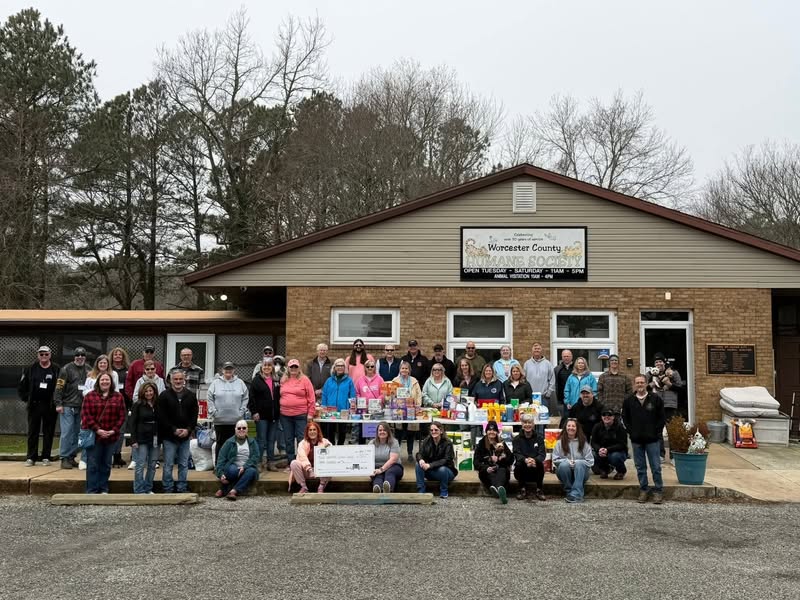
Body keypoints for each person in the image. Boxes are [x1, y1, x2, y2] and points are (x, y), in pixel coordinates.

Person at [623, 374, 665, 504]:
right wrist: (631, 432)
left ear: (646, 383)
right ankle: (644, 490)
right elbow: (625, 418)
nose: (640, 385)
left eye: (642, 382)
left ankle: (658, 491)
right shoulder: (629, 400)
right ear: (634, 384)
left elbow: (661, 418)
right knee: (640, 467)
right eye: (637, 382)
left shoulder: (655, 399)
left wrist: (656, 433)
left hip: (652, 440)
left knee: (656, 467)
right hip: (636, 440)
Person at [81, 373, 126, 494]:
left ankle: (103, 488)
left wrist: (113, 430)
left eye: (107, 380)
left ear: (111, 382)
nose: (105, 382)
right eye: (102, 380)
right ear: (98, 382)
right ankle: (92, 490)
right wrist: (98, 430)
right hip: (94, 436)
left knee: (106, 464)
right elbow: (86, 415)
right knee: (93, 464)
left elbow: (122, 416)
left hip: (111, 437)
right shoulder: (90, 396)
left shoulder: (118, 397)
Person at [18, 346, 60, 467]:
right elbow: (22, 386)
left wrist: (57, 401)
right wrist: (27, 399)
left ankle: (46, 457)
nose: (44, 356)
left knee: (49, 432)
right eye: (41, 354)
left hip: (50, 406)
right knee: (33, 432)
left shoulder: (56, 369)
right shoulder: (30, 368)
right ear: (38, 355)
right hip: (34, 405)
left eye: (46, 354)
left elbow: (61, 386)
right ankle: (31, 457)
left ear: (50, 355)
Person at [158, 370, 199, 493]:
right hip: (169, 437)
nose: (178, 381)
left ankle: (182, 488)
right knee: (168, 464)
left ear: (184, 380)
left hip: (185, 436)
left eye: (180, 379)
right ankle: (168, 488)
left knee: (183, 464)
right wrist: (173, 430)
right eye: (175, 379)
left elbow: (194, 415)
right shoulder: (164, 396)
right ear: (170, 380)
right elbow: (161, 416)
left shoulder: (191, 395)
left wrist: (188, 429)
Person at [54, 347, 90, 469]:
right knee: (67, 432)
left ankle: (71, 457)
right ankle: (64, 457)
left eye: (82, 355)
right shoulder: (66, 369)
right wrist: (58, 403)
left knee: (77, 433)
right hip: (67, 405)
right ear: (74, 356)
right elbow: (59, 386)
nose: (80, 357)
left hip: (82, 406)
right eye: (77, 355)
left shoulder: (89, 369)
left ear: (85, 356)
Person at [207, 361, 249, 461]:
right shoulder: (215, 383)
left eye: (230, 369)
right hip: (219, 420)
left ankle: (232, 464)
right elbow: (209, 397)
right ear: (222, 370)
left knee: (234, 443)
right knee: (220, 443)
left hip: (236, 420)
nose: (228, 371)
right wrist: (213, 412)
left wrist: (241, 412)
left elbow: (245, 398)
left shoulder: (240, 383)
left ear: (234, 370)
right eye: (226, 369)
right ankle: (219, 466)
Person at [279, 358, 316, 466]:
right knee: (288, 440)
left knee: (302, 440)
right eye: (291, 367)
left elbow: (311, 397)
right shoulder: (283, 379)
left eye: (295, 367)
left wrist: (310, 413)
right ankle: (291, 463)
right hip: (285, 415)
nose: (293, 369)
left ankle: (303, 463)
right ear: (288, 368)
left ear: (299, 368)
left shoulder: (305, 380)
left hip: (301, 414)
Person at [647, 352, 684, 459]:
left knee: (672, 430)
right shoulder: (650, 374)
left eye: (660, 361)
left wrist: (669, 384)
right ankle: (660, 455)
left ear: (664, 362)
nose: (658, 364)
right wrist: (651, 385)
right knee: (657, 431)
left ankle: (673, 456)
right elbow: (642, 387)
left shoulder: (674, 373)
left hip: (670, 405)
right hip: (656, 405)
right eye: (656, 362)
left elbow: (681, 389)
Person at [214, 419, 260, 500]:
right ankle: (228, 489)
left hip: (247, 467)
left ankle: (231, 490)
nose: (241, 430)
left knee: (252, 471)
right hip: (232, 467)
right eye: (239, 428)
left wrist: (244, 467)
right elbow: (221, 459)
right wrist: (220, 474)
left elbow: (256, 457)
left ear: (247, 429)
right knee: (233, 471)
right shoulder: (229, 442)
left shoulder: (252, 441)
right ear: (235, 430)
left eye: (244, 428)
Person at [249, 358, 281, 470]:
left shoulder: (277, 380)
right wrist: (254, 412)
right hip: (261, 415)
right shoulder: (256, 380)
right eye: (265, 365)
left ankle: (271, 462)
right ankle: (258, 462)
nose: (267, 367)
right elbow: (251, 398)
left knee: (271, 440)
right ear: (261, 367)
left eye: (269, 365)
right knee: (261, 440)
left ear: (272, 367)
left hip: (274, 415)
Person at [552, 418, 594, 503]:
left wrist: (578, 462)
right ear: (565, 427)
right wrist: (567, 461)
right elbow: (555, 459)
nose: (571, 428)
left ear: (577, 428)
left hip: (580, 473)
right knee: (564, 465)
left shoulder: (584, 443)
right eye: (569, 426)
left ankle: (576, 494)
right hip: (564, 472)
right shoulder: (559, 443)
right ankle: (570, 491)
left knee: (579, 464)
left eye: (573, 426)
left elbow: (590, 461)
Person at [129, 382, 160, 494]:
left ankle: (148, 488)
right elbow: (132, 422)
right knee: (140, 464)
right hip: (141, 437)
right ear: (142, 392)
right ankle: (138, 489)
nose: (148, 393)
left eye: (150, 391)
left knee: (152, 465)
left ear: (154, 391)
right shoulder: (138, 404)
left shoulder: (158, 404)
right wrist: (133, 440)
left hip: (155, 437)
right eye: (146, 391)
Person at [415, 421, 458, 499]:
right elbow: (419, 453)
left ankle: (444, 490)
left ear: (441, 431)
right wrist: (421, 459)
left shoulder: (448, 443)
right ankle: (421, 490)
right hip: (431, 470)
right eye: (431, 430)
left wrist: (430, 465)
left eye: (436, 430)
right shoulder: (426, 441)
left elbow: (446, 460)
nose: (433, 432)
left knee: (442, 469)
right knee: (418, 465)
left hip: (447, 472)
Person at [474, 421, 512, 504]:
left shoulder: (501, 443)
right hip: (487, 471)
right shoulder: (481, 444)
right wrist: (487, 465)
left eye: (494, 430)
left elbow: (511, 459)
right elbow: (476, 462)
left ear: (497, 432)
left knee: (502, 471)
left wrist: (502, 459)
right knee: (490, 473)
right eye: (489, 430)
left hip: (500, 469)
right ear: (486, 431)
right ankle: (499, 490)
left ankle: (497, 489)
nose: (492, 432)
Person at [288, 421, 332, 494]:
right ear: (307, 432)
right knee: (293, 463)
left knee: (331, 463)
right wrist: (309, 469)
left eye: (314, 430)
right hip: (307, 471)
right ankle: (304, 487)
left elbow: (332, 454)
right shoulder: (302, 443)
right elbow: (302, 457)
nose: (312, 432)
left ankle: (321, 487)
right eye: (310, 430)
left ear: (318, 431)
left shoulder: (325, 441)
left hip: (320, 472)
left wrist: (328, 447)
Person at [321, 358, 356, 445]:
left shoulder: (349, 381)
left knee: (342, 431)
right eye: (338, 365)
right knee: (330, 431)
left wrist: (350, 407)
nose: (340, 367)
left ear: (345, 368)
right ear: (334, 367)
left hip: (343, 410)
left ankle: (340, 447)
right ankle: (332, 446)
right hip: (330, 410)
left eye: (342, 366)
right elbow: (324, 394)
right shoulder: (329, 381)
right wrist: (324, 406)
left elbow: (352, 395)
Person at [392, 361, 422, 462]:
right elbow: (391, 395)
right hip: (399, 410)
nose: (404, 370)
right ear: (400, 370)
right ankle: (397, 453)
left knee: (410, 433)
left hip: (411, 410)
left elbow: (418, 394)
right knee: (398, 433)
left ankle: (410, 453)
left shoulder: (414, 381)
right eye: (402, 368)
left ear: (409, 370)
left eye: (406, 368)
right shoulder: (395, 381)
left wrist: (418, 405)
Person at [512, 413, 547, 501]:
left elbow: (542, 454)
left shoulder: (539, 438)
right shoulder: (516, 439)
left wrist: (534, 460)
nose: (527, 425)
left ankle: (539, 490)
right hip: (521, 470)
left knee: (540, 464)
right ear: (522, 424)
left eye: (530, 422)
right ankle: (522, 489)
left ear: (533, 424)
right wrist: (525, 460)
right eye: (525, 422)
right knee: (519, 463)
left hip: (535, 469)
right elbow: (516, 453)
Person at [109, 346, 131, 471]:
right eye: (115, 354)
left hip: (125, 403)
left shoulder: (128, 370)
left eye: (120, 355)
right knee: (111, 430)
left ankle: (118, 454)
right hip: (111, 404)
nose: (117, 356)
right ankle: (111, 455)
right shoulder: (109, 370)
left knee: (121, 431)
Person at [590, 409, 628, 480]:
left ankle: (621, 471)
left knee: (615, 457)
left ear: (613, 417)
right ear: (601, 417)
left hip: (617, 452)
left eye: (609, 415)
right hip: (602, 451)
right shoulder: (597, 427)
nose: (606, 417)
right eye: (604, 415)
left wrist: (608, 449)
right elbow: (593, 442)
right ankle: (605, 469)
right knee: (592, 454)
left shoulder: (620, 427)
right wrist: (599, 449)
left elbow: (622, 445)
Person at [370, 422, 403, 493]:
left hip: (394, 466)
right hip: (377, 468)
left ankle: (388, 489)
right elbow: (367, 458)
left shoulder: (394, 442)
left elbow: (393, 460)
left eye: (384, 430)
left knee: (389, 472)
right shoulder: (371, 443)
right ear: (377, 432)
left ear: (388, 431)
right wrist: (369, 470)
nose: (382, 432)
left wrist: (382, 469)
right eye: (380, 430)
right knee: (378, 476)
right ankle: (377, 489)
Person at [523, 343, 555, 408]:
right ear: (532, 351)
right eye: (535, 349)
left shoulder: (548, 364)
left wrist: (548, 393)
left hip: (543, 397)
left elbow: (552, 380)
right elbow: (523, 380)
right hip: (530, 397)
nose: (537, 350)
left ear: (541, 350)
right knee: (530, 416)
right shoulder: (527, 364)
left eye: (538, 349)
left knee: (543, 417)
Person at [553, 349, 574, 417]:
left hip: (574, 398)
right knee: (564, 418)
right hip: (562, 400)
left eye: (568, 356)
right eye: (564, 356)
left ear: (571, 357)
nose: (566, 358)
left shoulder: (576, 368)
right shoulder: (557, 369)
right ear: (562, 357)